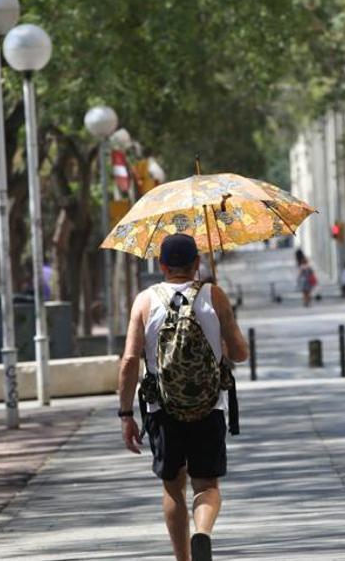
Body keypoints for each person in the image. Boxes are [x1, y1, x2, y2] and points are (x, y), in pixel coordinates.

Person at [118, 233, 250, 561]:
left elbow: (130, 361)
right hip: (209, 407)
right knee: (206, 486)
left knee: (172, 487)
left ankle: (183, 559)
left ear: (161, 265)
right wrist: (221, 323)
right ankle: (202, 532)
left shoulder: (145, 301)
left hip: (162, 409)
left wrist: (125, 414)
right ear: (197, 263)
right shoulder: (213, 295)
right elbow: (239, 353)